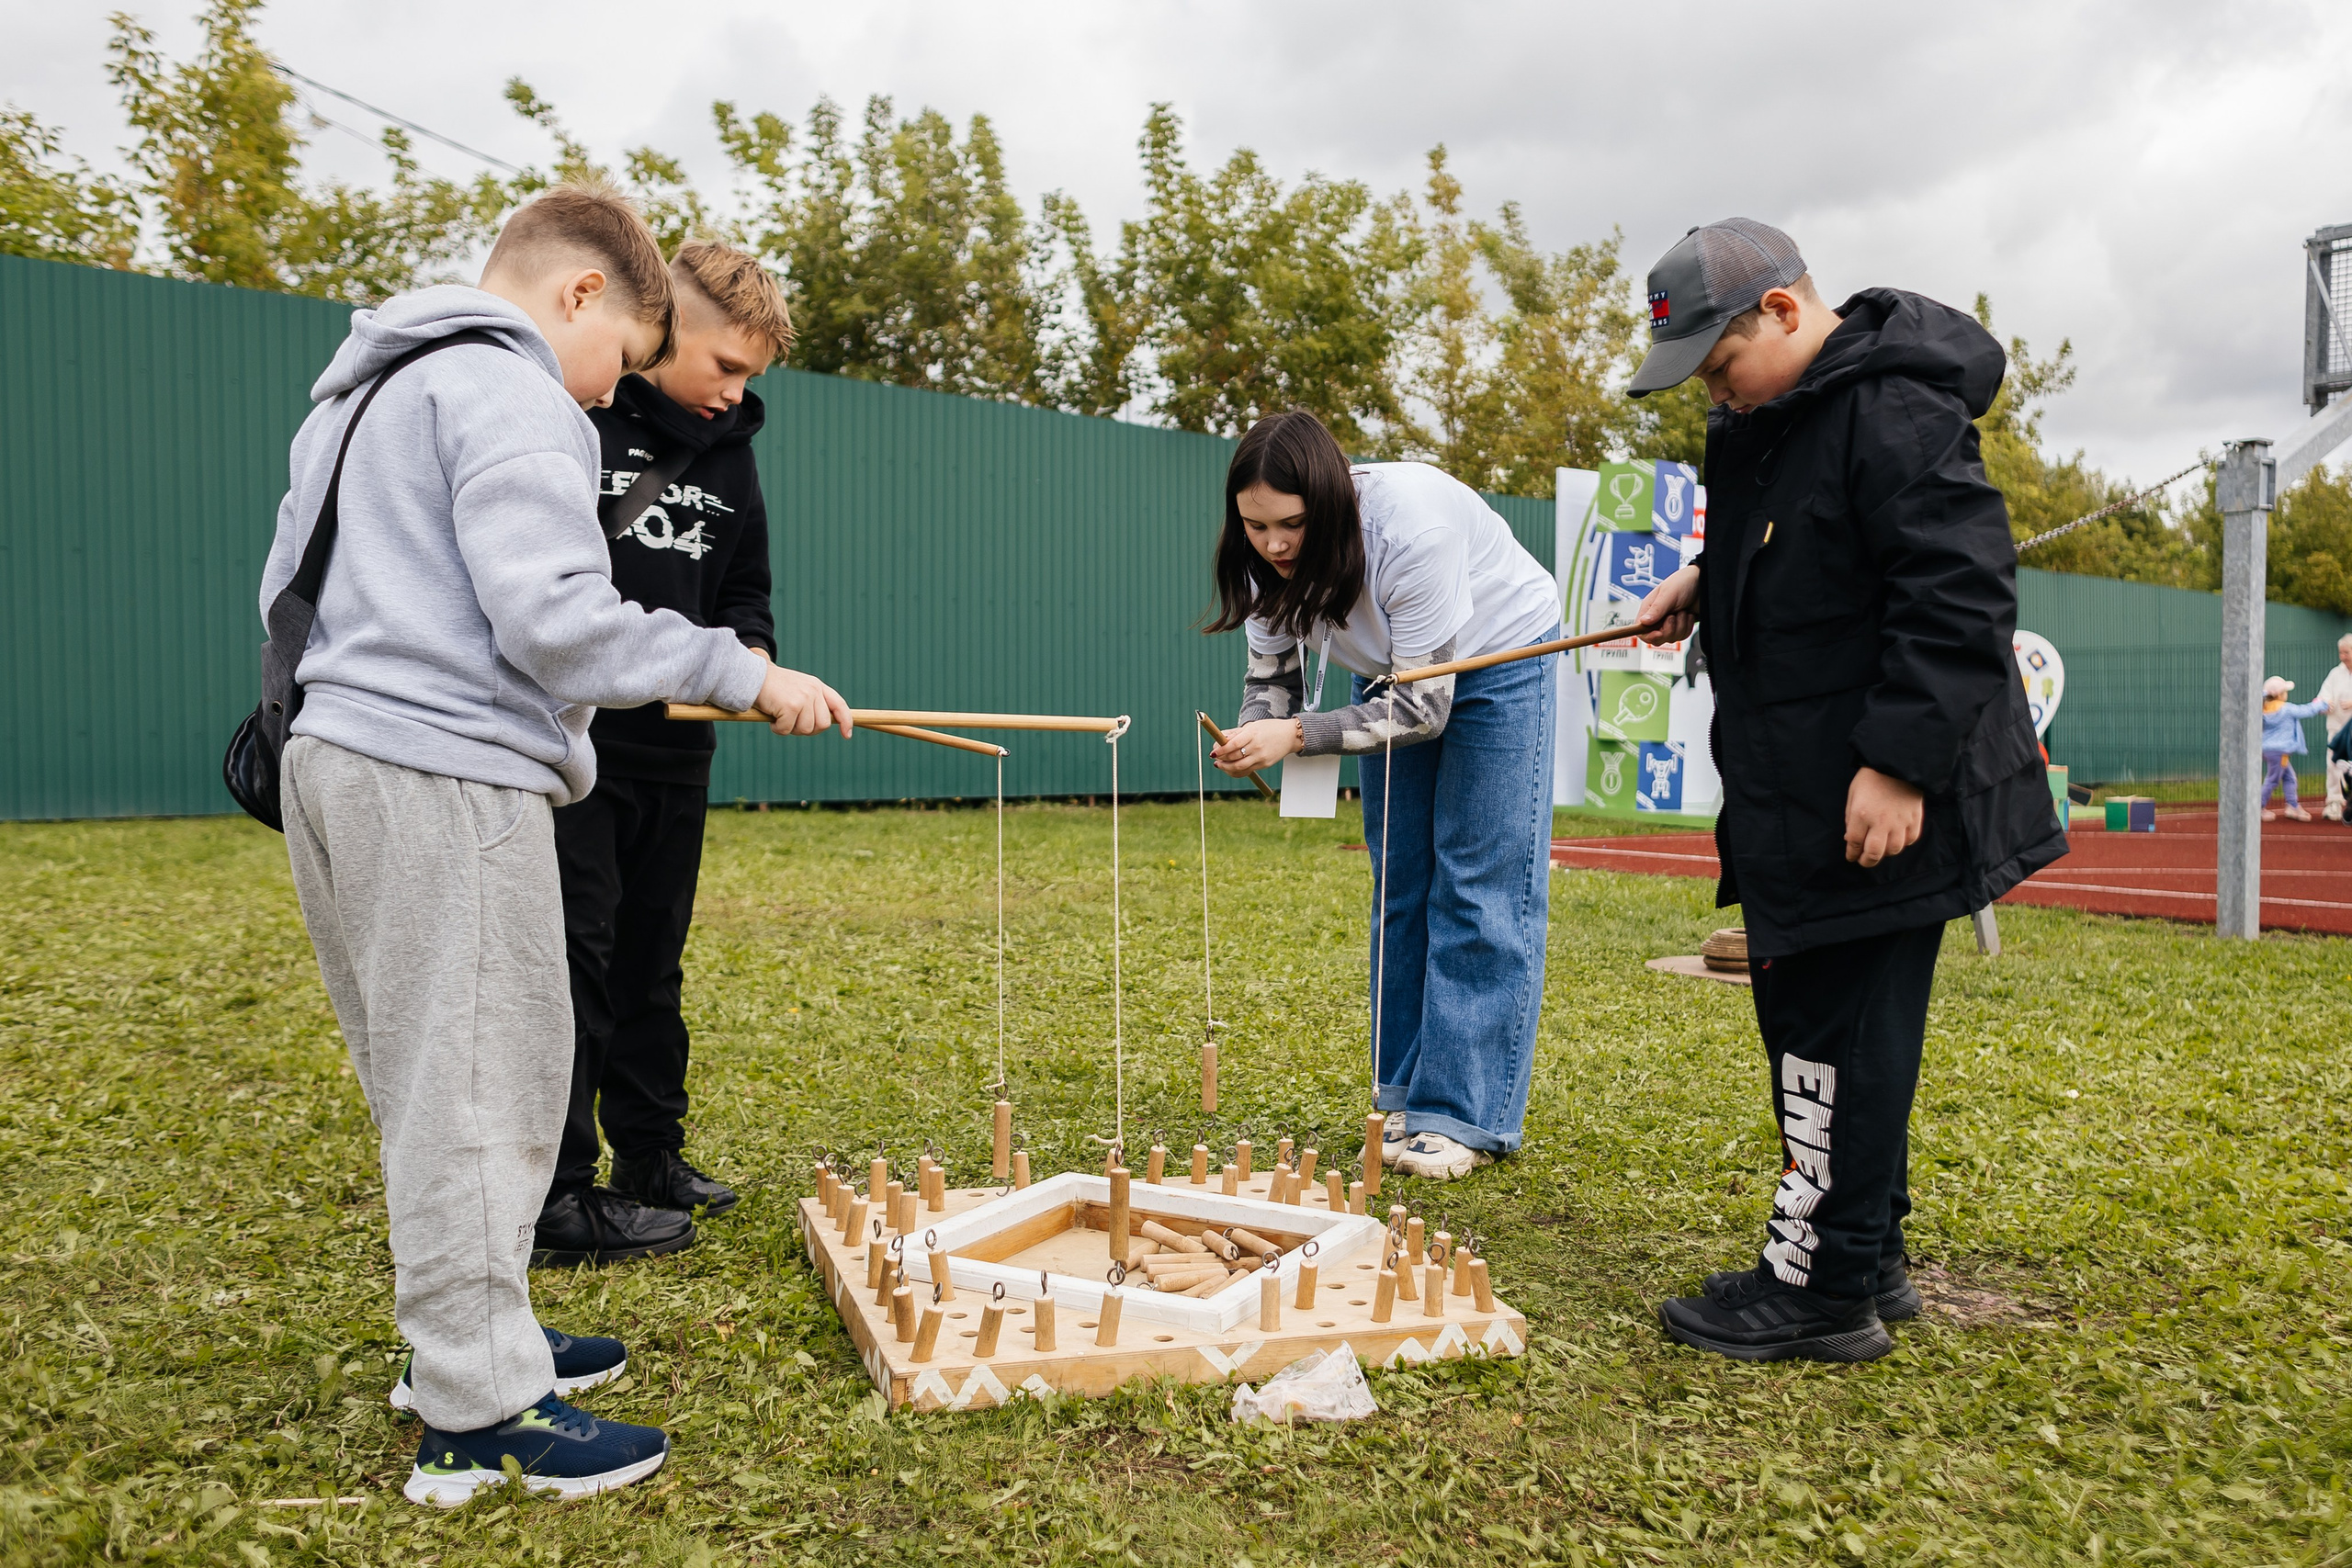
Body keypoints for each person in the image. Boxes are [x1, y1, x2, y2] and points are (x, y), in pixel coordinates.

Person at [265, 184, 850, 1506]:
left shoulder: (368, 388)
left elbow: (285, 593)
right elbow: (559, 620)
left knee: (431, 1079)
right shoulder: (511, 387)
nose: (606, 393)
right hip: (442, 774)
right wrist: (743, 671)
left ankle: (469, 1341)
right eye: (623, 356)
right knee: (485, 1084)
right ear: (581, 293)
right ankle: (480, 1414)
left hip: (335, 756)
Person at [1624, 219, 2065, 1363]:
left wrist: (1900, 764)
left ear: (1781, 311)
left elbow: (1959, 593)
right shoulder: (1778, 417)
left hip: (1877, 794)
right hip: (1797, 786)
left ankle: (1820, 1296)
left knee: (1834, 1036)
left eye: (1719, 366)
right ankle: (1864, 1258)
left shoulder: (1896, 408)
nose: (1714, 395)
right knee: (1825, 1026)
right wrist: (1704, 578)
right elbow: (1818, 542)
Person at [1206, 411, 1562, 1180]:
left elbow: (1424, 711)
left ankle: (1463, 1113)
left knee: (1477, 880)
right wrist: (1256, 729)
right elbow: (1272, 680)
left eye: (1292, 524)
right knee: (1401, 882)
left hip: (1500, 652)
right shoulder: (1258, 560)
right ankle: (1403, 1095)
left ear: (1331, 502)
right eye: (1256, 525)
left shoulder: (1411, 531)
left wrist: (1296, 735)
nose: (1274, 544)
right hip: (1391, 672)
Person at [537, 243, 800, 1268]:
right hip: (579, 748)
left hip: (679, 754)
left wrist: (754, 662)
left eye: (749, 377)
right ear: (665, 325)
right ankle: (561, 1184)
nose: (732, 391)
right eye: (724, 365)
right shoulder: (582, 418)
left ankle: (650, 1155)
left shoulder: (732, 455)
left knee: (653, 960)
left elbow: (744, 593)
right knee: (576, 962)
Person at [2259, 674, 2329, 823]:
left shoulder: (2264, 709)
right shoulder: (2286, 709)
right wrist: (2321, 704)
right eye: (2285, 691)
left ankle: (2292, 805)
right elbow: (2306, 710)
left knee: (2289, 777)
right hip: (2280, 752)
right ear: (2279, 694)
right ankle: (2256, 808)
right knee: (2272, 779)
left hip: (2268, 750)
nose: (2286, 694)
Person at [2313, 635, 2352, 821]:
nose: (2342, 656)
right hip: (2337, 729)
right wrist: (2324, 703)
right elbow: (2323, 695)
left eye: (2346, 652)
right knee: (2333, 764)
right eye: (2341, 653)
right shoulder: (2335, 674)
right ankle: (2334, 802)